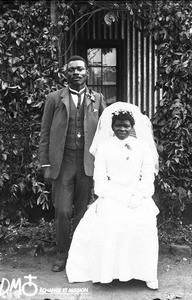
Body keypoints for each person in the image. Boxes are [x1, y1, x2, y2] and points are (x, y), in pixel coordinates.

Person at [65, 102, 159, 289]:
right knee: (111, 222)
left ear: (132, 126)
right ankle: (108, 273)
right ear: (112, 126)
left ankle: (145, 273)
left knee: (144, 223)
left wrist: (139, 195)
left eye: (126, 125)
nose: (122, 129)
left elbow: (148, 175)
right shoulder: (104, 147)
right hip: (112, 195)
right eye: (118, 125)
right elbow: (100, 179)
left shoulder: (142, 147)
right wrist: (115, 196)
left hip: (136, 194)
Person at [39, 55, 106, 272]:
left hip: (87, 162)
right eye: (72, 70)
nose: (76, 73)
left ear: (87, 73)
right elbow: (45, 132)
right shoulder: (54, 98)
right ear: (66, 74)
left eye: (80, 69)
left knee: (82, 212)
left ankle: (79, 253)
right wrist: (45, 164)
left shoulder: (97, 98)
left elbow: (106, 132)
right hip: (63, 161)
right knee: (62, 211)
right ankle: (62, 253)